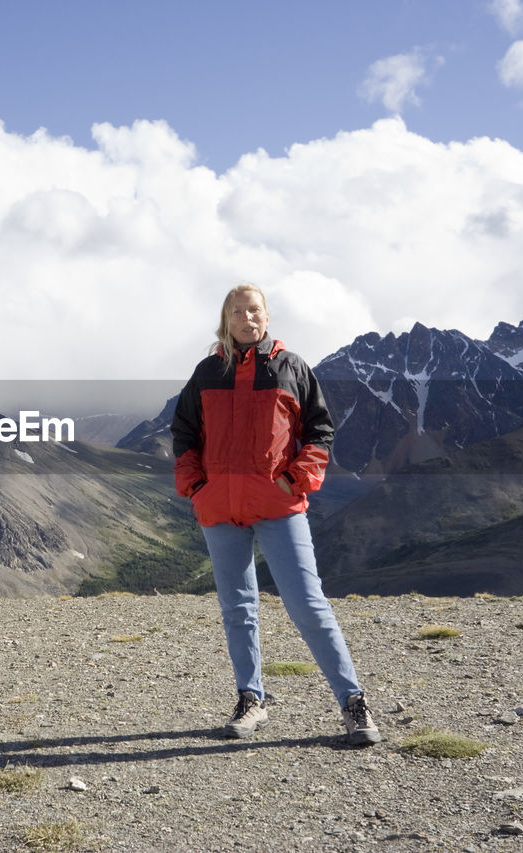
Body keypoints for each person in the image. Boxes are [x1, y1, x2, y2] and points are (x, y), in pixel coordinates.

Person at [171, 282, 381, 747]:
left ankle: (353, 702)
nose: (248, 319)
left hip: (278, 506)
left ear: (267, 317)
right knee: (237, 609)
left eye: (255, 311)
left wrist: (293, 480)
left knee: (309, 604)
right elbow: (184, 433)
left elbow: (319, 432)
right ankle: (251, 698)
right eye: (238, 312)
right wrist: (197, 488)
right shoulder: (207, 372)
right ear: (226, 320)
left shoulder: (292, 368)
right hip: (220, 508)